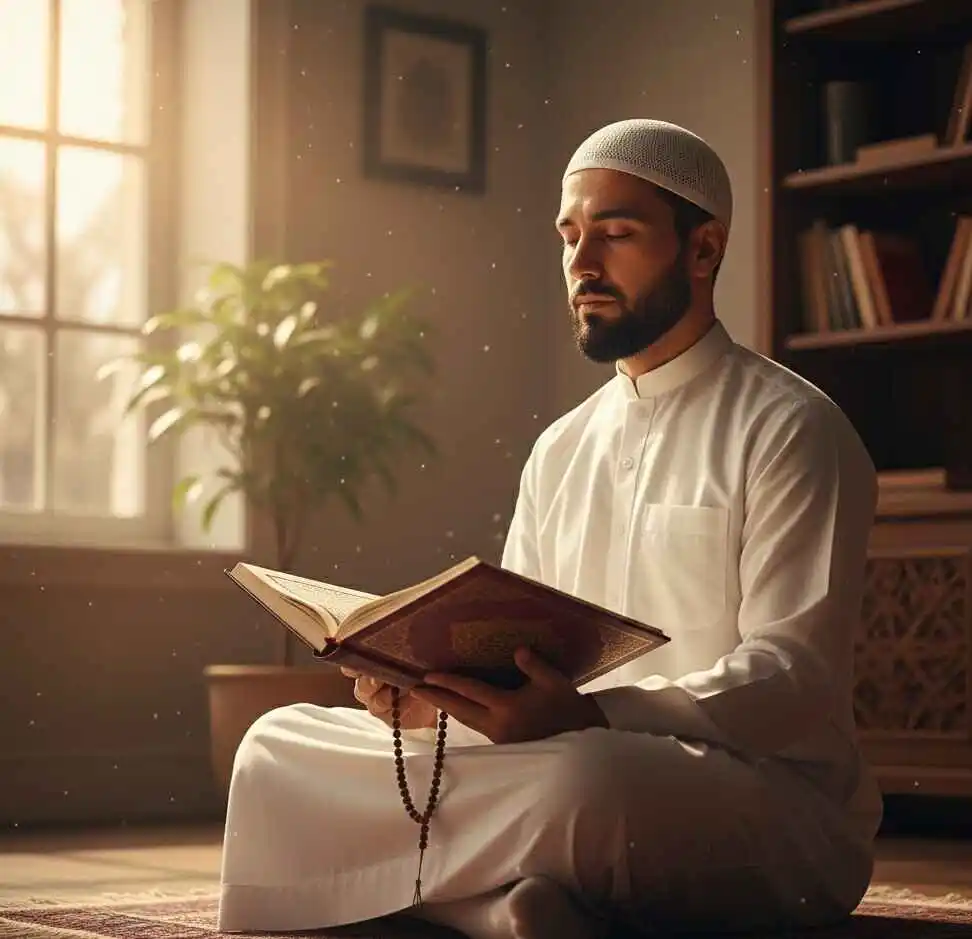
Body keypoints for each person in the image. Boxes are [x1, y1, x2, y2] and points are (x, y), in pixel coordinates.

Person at [217, 118, 883, 938]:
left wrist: (598, 718)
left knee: (585, 785)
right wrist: (432, 697)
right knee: (277, 748)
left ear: (703, 249)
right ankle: (507, 912)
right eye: (571, 236)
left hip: (754, 798)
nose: (583, 264)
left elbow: (790, 679)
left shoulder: (790, 427)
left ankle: (458, 903)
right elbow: (515, 656)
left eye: (617, 233)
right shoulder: (561, 447)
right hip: (551, 760)